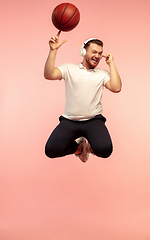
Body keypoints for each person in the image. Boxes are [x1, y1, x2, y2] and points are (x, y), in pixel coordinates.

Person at [44, 31, 122, 163]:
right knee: (51, 150)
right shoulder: (69, 68)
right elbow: (49, 74)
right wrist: (53, 51)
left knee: (105, 150)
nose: (97, 56)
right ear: (83, 51)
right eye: (94, 52)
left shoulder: (102, 74)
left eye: (99, 53)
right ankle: (80, 149)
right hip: (70, 120)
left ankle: (91, 145)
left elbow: (116, 88)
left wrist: (111, 64)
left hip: (93, 120)